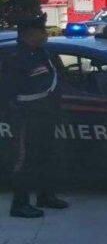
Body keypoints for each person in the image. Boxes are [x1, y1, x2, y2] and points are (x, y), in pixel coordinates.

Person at [2, 13, 69, 218]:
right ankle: (20, 204)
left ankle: (45, 195)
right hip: (26, 118)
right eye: (42, 31)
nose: (46, 34)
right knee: (25, 161)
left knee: (46, 157)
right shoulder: (17, 59)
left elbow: (53, 79)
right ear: (29, 34)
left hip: (45, 115)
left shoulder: (42, 54)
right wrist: (16, 113)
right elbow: (7, 92)